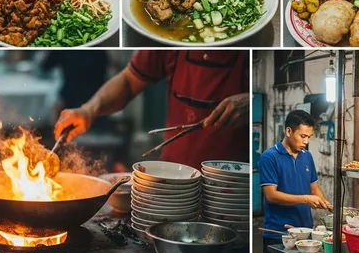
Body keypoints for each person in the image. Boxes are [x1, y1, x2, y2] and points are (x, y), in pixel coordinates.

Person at [54, 51, 250, 168]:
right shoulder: (169, 35)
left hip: (233, 182)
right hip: (173, 173)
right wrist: (90, 109)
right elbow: (129, 82)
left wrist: (253, 101)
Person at [260, 110, 332, 253]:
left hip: (306, 233)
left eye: (309, 137)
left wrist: (327, 205)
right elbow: (271, 195)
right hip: (278, 234)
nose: (306, 142)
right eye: (303, 136)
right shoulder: (269, 157)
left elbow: (314, 188)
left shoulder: (307, 157)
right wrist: (306, 199)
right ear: (288, 131)